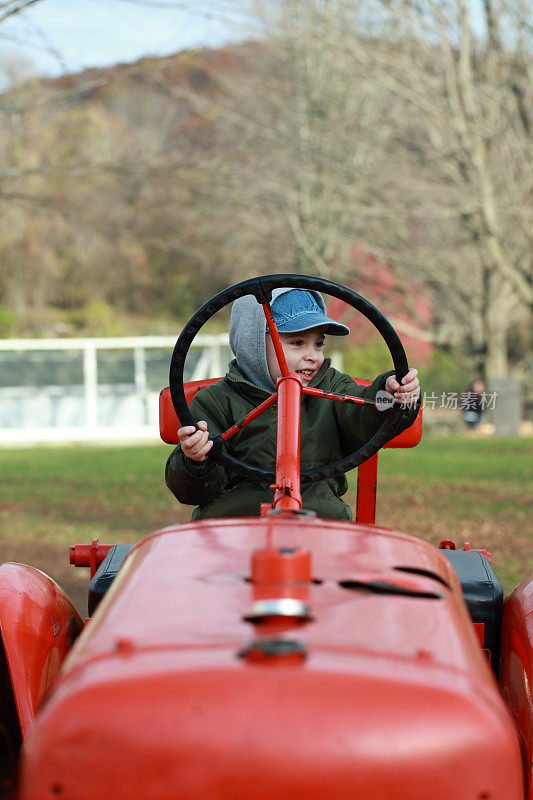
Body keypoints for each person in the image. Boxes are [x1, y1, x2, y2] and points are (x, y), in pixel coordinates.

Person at [165, 288, 420, 520]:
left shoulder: (333, 388)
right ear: (253, 345)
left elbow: (365, 417)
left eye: (318, 344)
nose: (313, 356)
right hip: (235, 528)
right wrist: (196, 461)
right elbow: (192, 492)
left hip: (320, 522)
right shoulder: (216, 402)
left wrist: (393, 395)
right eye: (297, 343)